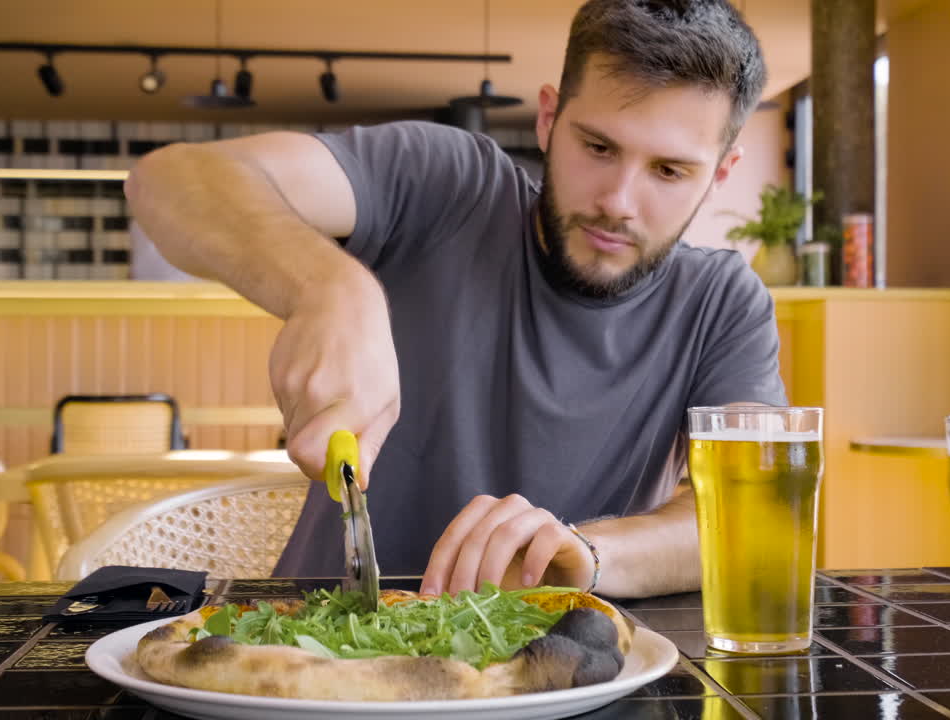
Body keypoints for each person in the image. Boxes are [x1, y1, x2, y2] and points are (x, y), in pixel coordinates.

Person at [124, 0, 784, 599]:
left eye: (669, 171)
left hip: (555, 675)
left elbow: (749, 519)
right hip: (314, 656)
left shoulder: (723, 304)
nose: (619, 200)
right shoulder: (446, 185)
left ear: (721, 171)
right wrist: (328, 286)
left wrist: (583, 554)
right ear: (550, 118)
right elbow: (169, 181)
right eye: (598, 147)